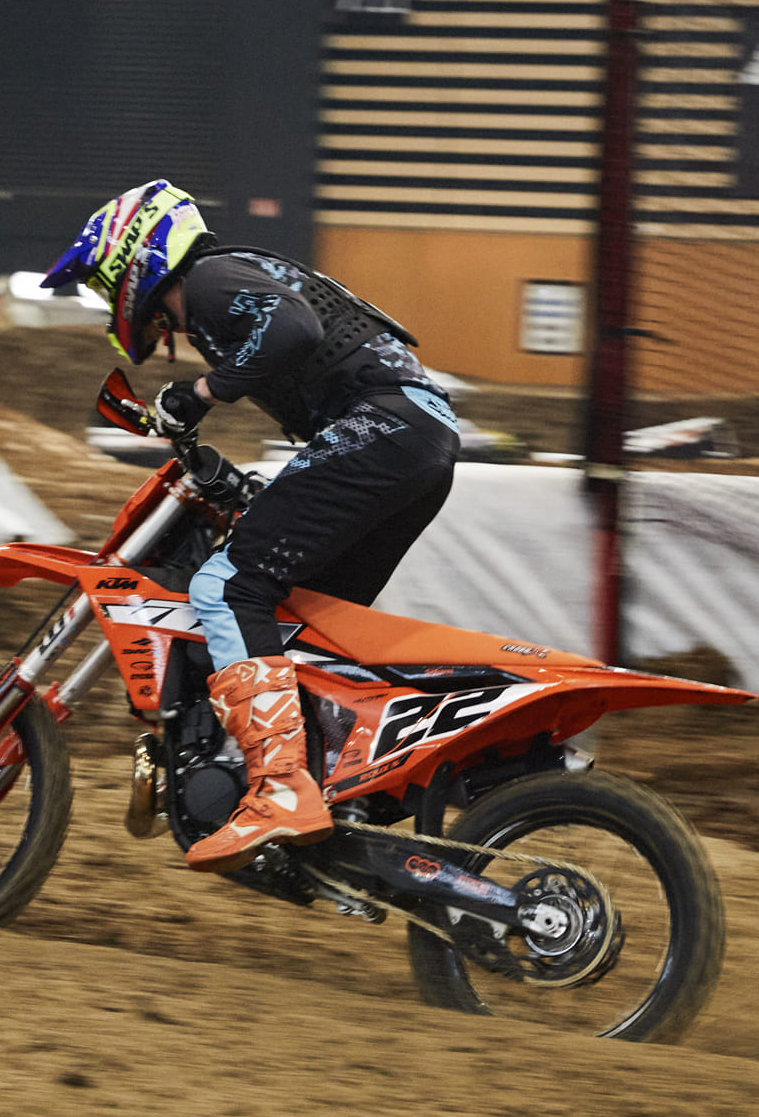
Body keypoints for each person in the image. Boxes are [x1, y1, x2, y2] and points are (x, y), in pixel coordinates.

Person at [42, 179, 461, 873]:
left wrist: (200, 394)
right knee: (306, 616)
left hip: (385, 425)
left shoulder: (208, 279)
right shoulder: (232, 281)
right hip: (417, 438)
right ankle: (343, 787)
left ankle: (281, 788)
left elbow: (293, 328)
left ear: (134, 257)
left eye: (101, 282)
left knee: (227, 586)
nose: (101, 298)